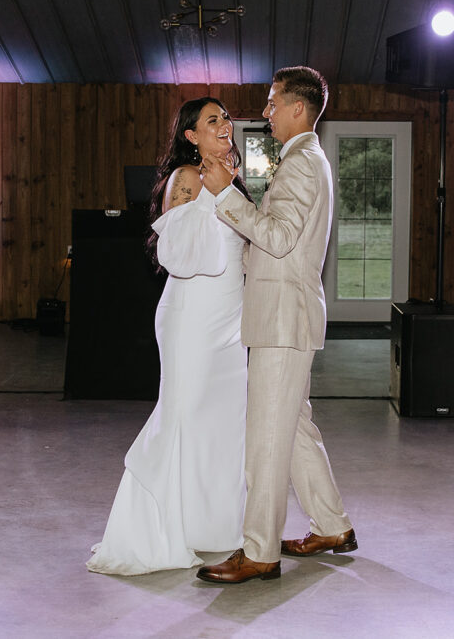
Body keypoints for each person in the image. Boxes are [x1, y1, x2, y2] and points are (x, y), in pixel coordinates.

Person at [196, 67, 356, 584]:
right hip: (289, 316)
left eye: (271, 103)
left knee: (266, 438)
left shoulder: (302, 163)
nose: (265, 113)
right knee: (295, 433)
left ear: (297, 108)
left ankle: (260, 552)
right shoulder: (306, 160)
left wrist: (225, 195)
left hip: (283, 321)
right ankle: (333, 526)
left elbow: (280, 237)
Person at [86, 97, 254, 575]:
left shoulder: (231, 182)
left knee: (223, 426)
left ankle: (216, 529)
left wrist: (228, 189)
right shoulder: (186, 179)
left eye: (226, 119)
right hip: (192, 319)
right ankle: (163, 530)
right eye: (212, 120)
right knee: (184, 417)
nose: (225, 126)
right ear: (192, 136)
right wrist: (214, 192)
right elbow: (177, 255)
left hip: (230, 321)